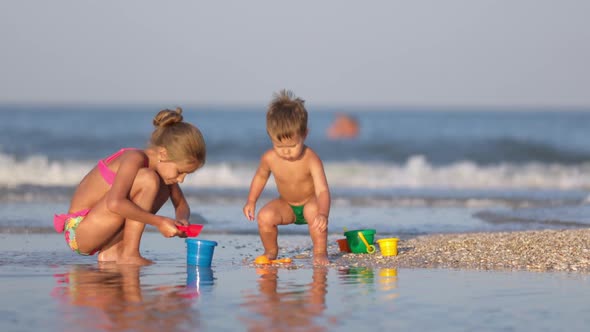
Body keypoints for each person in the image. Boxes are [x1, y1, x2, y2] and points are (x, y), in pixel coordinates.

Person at [53, 107, 206, 265]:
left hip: (101, 228)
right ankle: (129, 254)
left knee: (162, 186)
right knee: (150, 180)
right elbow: (115, 202)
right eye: (180, 172)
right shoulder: (134, 158)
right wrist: (159, 222)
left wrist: (181, 221)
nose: (181, 179)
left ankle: (113, 251)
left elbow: (181, 204)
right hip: (79, 231)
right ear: (163, 154)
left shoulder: (164, 172)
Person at [243, 90, 331, 265]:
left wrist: (323, 213)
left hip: (310, 203)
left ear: (304, 134)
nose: (286, 151)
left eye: (292, 145)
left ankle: (320, 252)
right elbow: (260, 177)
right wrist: (251, 200)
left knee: (312, 211)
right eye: (279, 145)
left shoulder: (311, 158)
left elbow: (322, 190)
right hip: (287, 205)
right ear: (270, 137)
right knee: (264, 217)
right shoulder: (269, 158)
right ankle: (270, 251)